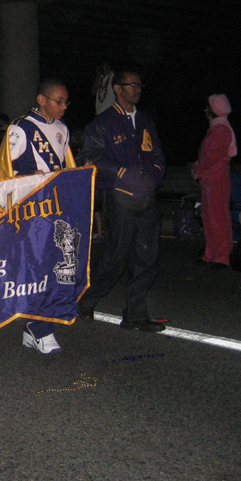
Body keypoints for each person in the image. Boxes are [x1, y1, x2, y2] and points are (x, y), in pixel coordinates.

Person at [77, 69, 166, 333]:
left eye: (140, 84)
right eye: (132, 84)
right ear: (118, 89)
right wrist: (122, 173)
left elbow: (158, 155)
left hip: (147, 197)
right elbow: (89, 156)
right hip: (120, 198)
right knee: (115, 257)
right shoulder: (103, 123)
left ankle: (135, 315)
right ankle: (86, 299)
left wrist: (154, 176)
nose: (137, 89)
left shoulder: (146, 121)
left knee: (147, 258)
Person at [0, 78, 72, 354]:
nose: (63, 107)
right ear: (42, 100)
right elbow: (7, 171)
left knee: (55, 266)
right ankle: (40, 328)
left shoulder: (62, 129)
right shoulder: (21, 127)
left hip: (55, 208)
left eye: (65, 102)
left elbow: (66, 168)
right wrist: (29, 179)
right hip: (31, 211)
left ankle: (35, 327)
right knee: (38, 268)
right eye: (58, 101)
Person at [191, 94, 237, 268]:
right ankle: (211, 255)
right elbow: (206, 156)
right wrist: (198, 167)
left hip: (216, 179)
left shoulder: (221, 130)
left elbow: (212, 156)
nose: (205, 110)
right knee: (209, 219)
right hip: (210, 179)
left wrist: (198, 170)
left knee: (218, 219)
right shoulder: (217, 129)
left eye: (208, 107)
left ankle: (222, 256)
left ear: (214, 110)